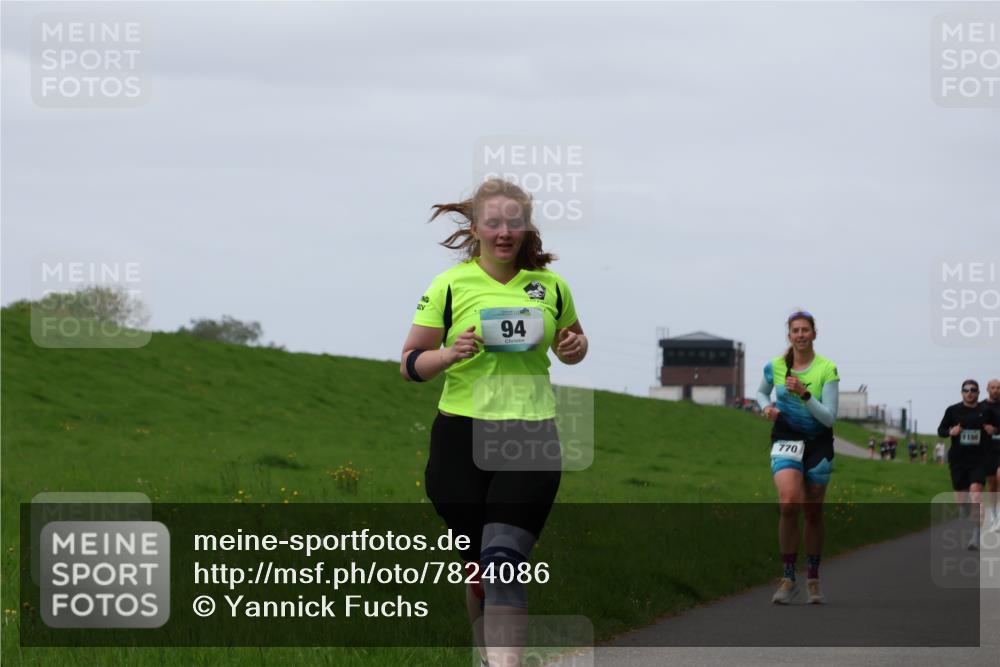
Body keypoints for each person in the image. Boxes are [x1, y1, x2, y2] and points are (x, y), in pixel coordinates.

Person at [400, 178, 587, 667]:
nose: (504, 232)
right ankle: (487, 657)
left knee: (504, 562)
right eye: (494, 222)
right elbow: (410, 364)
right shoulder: (449, 286)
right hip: (459, 440)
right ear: (476, 228)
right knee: (480, 571)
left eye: (514, 222)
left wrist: (574, 347)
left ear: (527, 228)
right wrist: (448, 354)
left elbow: (574, 345)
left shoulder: (551, 287)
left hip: (530, 435)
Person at [757, 311, 840, 605]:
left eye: (806, 330)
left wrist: (805, 394)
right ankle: (788, 578)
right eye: (796, 330)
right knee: (790, 503)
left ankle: (813, 579)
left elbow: (829, 418)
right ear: (789, 335)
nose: (801, 334)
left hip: (818, 443)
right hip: (786, 439)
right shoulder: (776, 366)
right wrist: (766, 408)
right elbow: (761, 392)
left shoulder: (827, 369)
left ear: (814, 334)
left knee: (813, 513)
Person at [936, 380, 998, 550]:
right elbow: (941, 431)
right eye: (966, 390)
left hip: (979, 460)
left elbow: (997, 428)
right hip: (958, 460)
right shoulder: (952, 410)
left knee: (976, 495)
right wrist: (951, 431)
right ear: (962, 392)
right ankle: (963, 508)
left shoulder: (986, 411)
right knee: (962, 501)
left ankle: (975, 537)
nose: (969, 393)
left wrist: (993, 430)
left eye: (973, 390)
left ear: (978, 393)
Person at [980, 378, 1000, 532]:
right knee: (992, 484)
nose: (996, 390)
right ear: (987, 389)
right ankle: (993, 515)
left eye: (998, 387)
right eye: (993, 387)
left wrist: (996, 430)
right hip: (988, 450)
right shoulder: (981, 407)